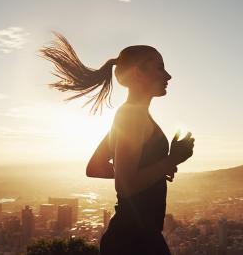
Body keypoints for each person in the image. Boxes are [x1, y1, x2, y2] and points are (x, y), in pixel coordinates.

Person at [41, 33, 195, 255]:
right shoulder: (132, 118)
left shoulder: (130, 116)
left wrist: (157, 168)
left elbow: (96, 167)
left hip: (132, 235)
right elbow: (125, 185)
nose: (168, 76)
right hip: (135, 239)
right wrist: (169, 161)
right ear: (138, 72)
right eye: (160, 68)